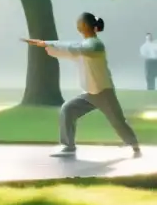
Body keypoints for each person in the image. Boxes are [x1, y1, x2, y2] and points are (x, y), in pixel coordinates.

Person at [24, 12, 141, 158]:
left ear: (85, 25)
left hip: (103, 91)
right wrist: (46, 45)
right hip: (90, 93)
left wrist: (48, 43)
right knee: (68, 109)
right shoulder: (83, 45)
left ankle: (134, 146)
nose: (77, 25)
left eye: (79, 22)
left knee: (117, 121)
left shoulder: (95, 44)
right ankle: (68, 146)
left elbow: (77, 48)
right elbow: (69, 51)